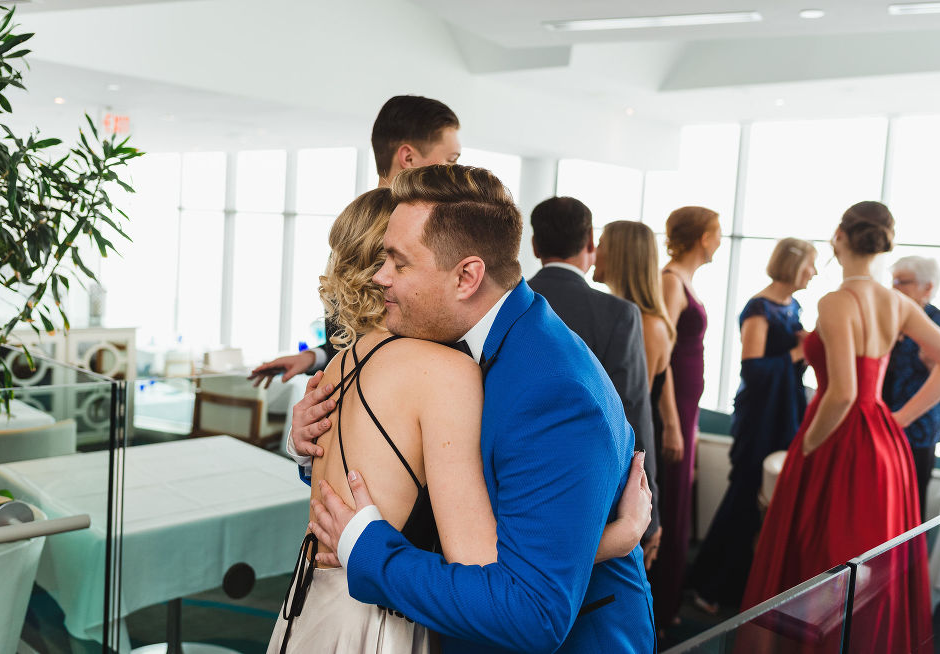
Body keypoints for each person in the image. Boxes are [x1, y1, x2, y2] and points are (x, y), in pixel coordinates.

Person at [267, 185, 654, 653]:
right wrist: (307, 447)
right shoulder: (444, 348)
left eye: (399, 262)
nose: (380, 278)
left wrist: (364, 547)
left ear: (467, 277)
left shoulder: (551, 386)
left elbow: (527, 601)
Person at [741, 201, 940, 652]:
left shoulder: (836, 300)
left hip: (838, 435)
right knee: (869, 555)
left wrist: (809, 447)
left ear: (839, 236)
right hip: (883, 441)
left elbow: (842, 393)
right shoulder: (897, 301)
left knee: (825, 554)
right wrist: (896, 420)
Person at [250, 95, 462, 384]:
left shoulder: (356, 224)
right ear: (408, 157)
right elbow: (350, 328)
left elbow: (348, 333)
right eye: (450, 160)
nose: (454, 172)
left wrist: (312, 357)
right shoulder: (381, 229)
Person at [527, 198, 662, 569]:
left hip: (515, 484)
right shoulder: (618, 314)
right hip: (597, 491)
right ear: (590, 241)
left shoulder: (510, 303)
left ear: (536, 245)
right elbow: (633, 412)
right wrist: (651, 512)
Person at [690, 238, 817, 613]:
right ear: (793, 265)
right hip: (760, 414)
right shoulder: (759, 308)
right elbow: (754, 369)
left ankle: (742, 584)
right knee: (745, 495)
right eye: (810, 264)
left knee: (765, 499)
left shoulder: (794, 305)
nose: (814, 272)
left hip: (787, 407)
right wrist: (799, 351)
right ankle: (709, 584)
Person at [592, 219, 680, 569]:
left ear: (620, 255)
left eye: (602, 244)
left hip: (631, 458)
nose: (594, 252)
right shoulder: (621, 315)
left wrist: (648, 508)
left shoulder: (641, 323)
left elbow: (632, 412)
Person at [649, 205, 720, 633]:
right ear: (702, 237)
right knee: (671, 501)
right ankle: (656, 611)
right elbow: (663, 360)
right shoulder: (671, 281)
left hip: (689, 406)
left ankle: (668, 603)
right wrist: (673, 424)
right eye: (716, 233)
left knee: (681, 499)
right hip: (673, 408)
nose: (719, 241)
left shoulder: (684, 279)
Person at [885, 255, 940, 521]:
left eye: (902, 282)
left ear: (928, 288)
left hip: (919, 431)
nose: (894, 288)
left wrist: (930, 365)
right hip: (880, 425)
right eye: (892, 281)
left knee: (909, 511)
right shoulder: (888, 319)